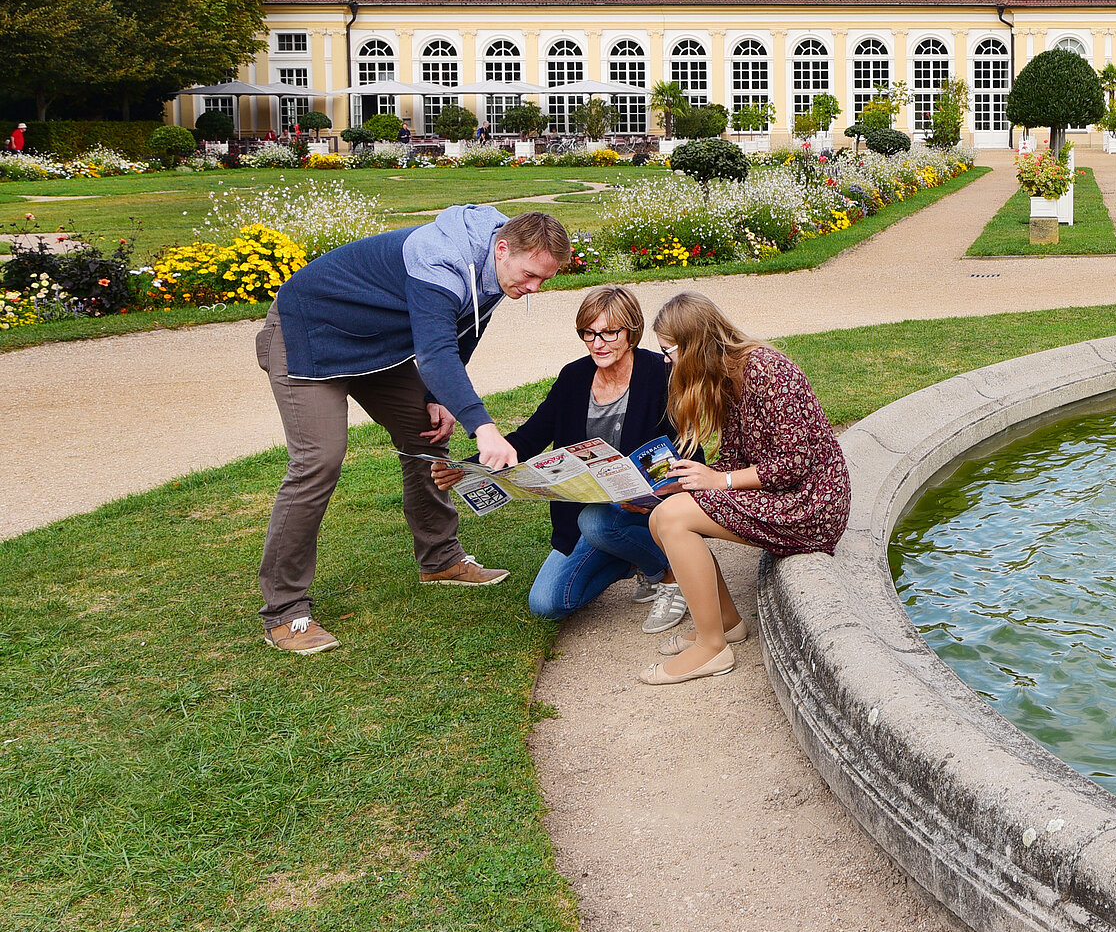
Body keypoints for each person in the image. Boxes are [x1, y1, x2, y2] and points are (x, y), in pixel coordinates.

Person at [254, 206, 571, 655]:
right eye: (530, 276)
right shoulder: (439, 258)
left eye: (545, 280)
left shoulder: (503, 266)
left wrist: (439, 398)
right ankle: (284, 610)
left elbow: (464, 329)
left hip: (375, 346)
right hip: (309, 334)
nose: (533, 288)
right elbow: (436, 351)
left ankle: (440, 559)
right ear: (502, 249)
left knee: (427, 430)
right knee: (319, 460)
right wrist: (482, 427)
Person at [636, 292, 850, 685]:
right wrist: (689, 479)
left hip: (812, 503)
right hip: (783, 494)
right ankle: (728, 624)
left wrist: (719, 481)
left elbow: (794, 462)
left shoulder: (767, 371)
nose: (666, 361)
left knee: (673, 519)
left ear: (694, 345)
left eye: (669, 351)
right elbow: (735, 458)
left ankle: (711, 647)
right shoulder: (725, 376)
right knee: (663, 513)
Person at [450, 285, 685, 627]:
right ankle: (629, 559)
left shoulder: (659, 373)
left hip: (647, 511)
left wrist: (659, 491)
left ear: (631, 330)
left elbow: (689, 448)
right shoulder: (574, 377)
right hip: (583, 515)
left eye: (608, 333)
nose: (597, 344)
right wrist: (468, 469)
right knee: (546, 603)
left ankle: (668, 575)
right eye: (588, 333)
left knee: (598, 522)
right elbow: (528, 438)